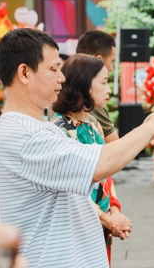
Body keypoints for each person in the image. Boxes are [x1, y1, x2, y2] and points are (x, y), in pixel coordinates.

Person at [0, 28, 154, 268]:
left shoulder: (37, 129)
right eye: (53, 69)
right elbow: (101, 163)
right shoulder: (24, 137)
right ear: (24, 73)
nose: (61, 78)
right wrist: (152, 125)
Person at [50, 54, 131, 266]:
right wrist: (109, 219)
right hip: (79, 226)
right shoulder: (60, 131)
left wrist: (115, 211)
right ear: (83, 85)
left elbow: (106, 176)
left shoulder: (93, 122)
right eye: (103, 83)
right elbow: (72, 192)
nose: (109, 89)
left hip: (102, 223)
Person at [76, 30, 119, 143]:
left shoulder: (66, 85)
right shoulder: (88, 97)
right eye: (112, 61)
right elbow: (115, 147)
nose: (111, 68)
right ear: (99, 60)